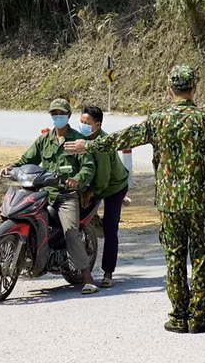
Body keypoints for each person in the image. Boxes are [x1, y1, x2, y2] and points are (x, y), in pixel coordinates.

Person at [65, 66, 205, 334]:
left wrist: (90, 145)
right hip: (201, 202)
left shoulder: (158, 120)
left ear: (169, 90)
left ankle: (179, 315)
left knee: (174, 257)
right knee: (201, 257)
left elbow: (123, 137)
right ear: (194, 89)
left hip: (169, 203)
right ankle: (198, 316)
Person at [0, 98, 99, 294]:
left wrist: (77, 179)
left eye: (61, 114)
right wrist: (11, 167)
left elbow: (88, 166)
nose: (57, 117)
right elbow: (26, 160)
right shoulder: (44, 140)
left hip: (65, 195)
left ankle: (87, 277)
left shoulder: (78, 140)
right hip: (43, 193)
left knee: (71, 232)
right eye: (54, 114)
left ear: (68, 116)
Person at [78, 105, 129, 289]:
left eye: (87, 123)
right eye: (81, 121)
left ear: (97, 125)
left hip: (114, 187)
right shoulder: (80, 139)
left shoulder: (103, 144)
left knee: (110, 228)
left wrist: (91, 192)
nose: (83, 125)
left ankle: (108, 273)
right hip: (95, 184)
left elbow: (104, 178)